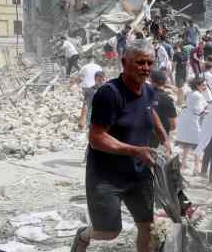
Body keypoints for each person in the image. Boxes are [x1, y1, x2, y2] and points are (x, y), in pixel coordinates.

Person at [72, 39, 170, 252]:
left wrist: (164, 137)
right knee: (109, 232)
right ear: (124, 63)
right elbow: (96, 137)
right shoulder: (109, 94)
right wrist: (135, 150)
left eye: (149, 63)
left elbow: (149, 111)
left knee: (147, 226)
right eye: (139, 62)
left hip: (139, 173)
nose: (145, 68)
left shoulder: (148, 91)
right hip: (106, 175)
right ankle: (83, 235)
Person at [176, 77, 208, 174]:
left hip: (185, 118)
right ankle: (196, 168)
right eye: (203, 85)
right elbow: (199, 110)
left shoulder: (190, 93)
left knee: (187, 142)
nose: (205, 87)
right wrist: (206, 112)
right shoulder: (199, 95)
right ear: (198, 86)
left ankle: (183, 164)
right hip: (193, 120)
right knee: (197, 143)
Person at [150, 70, 177, 149]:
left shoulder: (143, 95)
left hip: (143, 136)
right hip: (161, 138)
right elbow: (174, 125)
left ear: (151, 80)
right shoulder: (167, 99)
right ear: (165, 82)